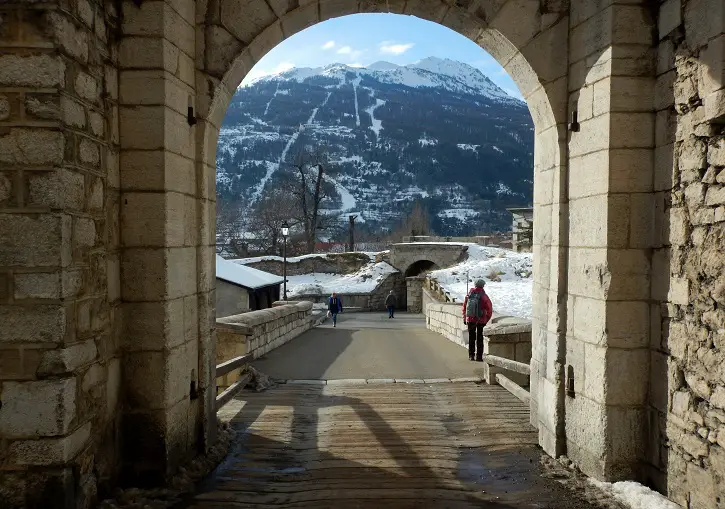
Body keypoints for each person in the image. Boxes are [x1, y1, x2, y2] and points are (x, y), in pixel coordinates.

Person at [462, 279, 493, 362]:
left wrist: (465, 317)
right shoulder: (484, 296)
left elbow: (464, 307)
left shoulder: (469, 295)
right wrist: (486, 319)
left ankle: (471, 355)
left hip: (470, 319)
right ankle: (479, 357)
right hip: (481, 320)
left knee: (471, 338)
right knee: (479, 339)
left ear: (475, 285)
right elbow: (489, 309)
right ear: (483, 286)